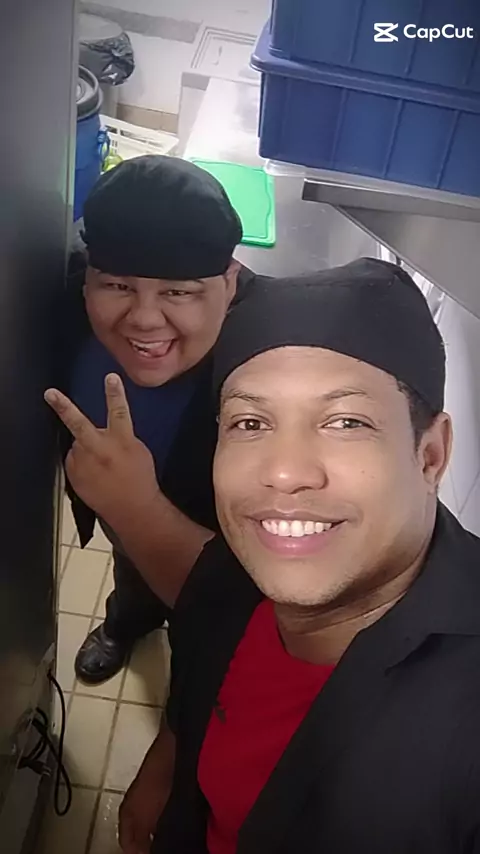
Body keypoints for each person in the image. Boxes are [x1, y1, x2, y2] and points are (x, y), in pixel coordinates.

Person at [47, 258, 480, 854]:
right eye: (251, 422)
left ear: (430, 454)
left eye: (345, 421)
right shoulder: (239, 574)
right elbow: (204, 666)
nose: (283, 472)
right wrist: (169, 766)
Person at [62, 153, 252, 685]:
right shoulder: (62, 313)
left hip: (218, 544)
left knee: (207, 647)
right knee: (133, 578)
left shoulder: (261, 368)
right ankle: (124, 626)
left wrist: (139, 504)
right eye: (118, 286)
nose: (144, 318)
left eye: (179, 292)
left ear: (230, 283)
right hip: (119, 519)